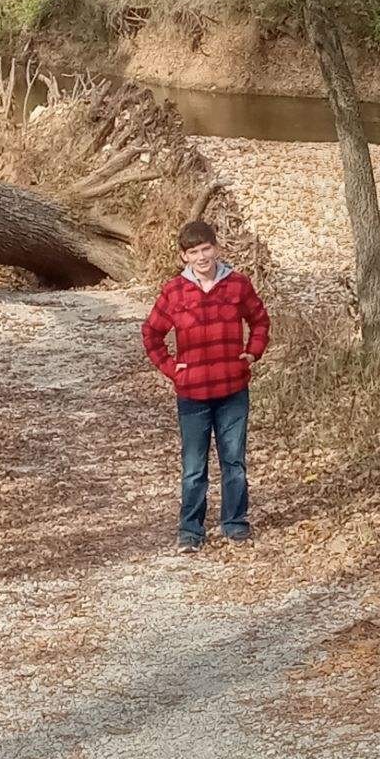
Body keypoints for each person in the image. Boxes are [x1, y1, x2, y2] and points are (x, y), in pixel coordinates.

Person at [141, 220, 270, 553]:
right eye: (194, 252)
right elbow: (151, 334)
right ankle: (191, 531)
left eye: (206, 249)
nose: (202, 257)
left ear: (216, 248)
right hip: (193, 395)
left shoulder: (238, 285)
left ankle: (235, 524)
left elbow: (259, 320)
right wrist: (171, 368)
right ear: (185, 257)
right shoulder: (174, 291)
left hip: (232, 390)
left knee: (234, 461)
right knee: (194, 468)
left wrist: (253, 353)